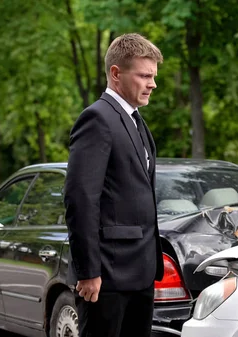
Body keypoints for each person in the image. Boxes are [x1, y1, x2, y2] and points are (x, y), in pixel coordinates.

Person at [63, 33, 164, 337]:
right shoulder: (97, 118)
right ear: (116, 74)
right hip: (106, 277)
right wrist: (89, 271)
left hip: (140, 273)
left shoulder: (135, 119)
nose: (152, 84)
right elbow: (80, 200)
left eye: (153, 76)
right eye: (144, 75)